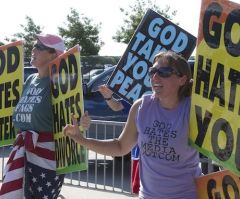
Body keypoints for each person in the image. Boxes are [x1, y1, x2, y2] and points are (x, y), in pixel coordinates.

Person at [64, 51, 202, 199]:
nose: (155, 76)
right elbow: (120, 146)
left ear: (182, 80)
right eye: (153, 71)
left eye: (164, 72)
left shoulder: (195, 111)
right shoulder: (141, 107)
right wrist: (81, 140)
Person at [0, 33, 66, 199]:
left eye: (39, 47)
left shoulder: (59, 81)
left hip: (47, 158)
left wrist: (82, 123)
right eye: (34, 45)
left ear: (54, 54)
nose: (33, 49)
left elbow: (72, 116)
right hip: (24, 153)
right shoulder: (30, 80)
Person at [98, 84, 140, 194]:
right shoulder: (139, 96)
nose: (155, 76)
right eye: (152, 72)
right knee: (140, 190)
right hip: (140, 156)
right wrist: (108, 97)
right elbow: (117, 106)